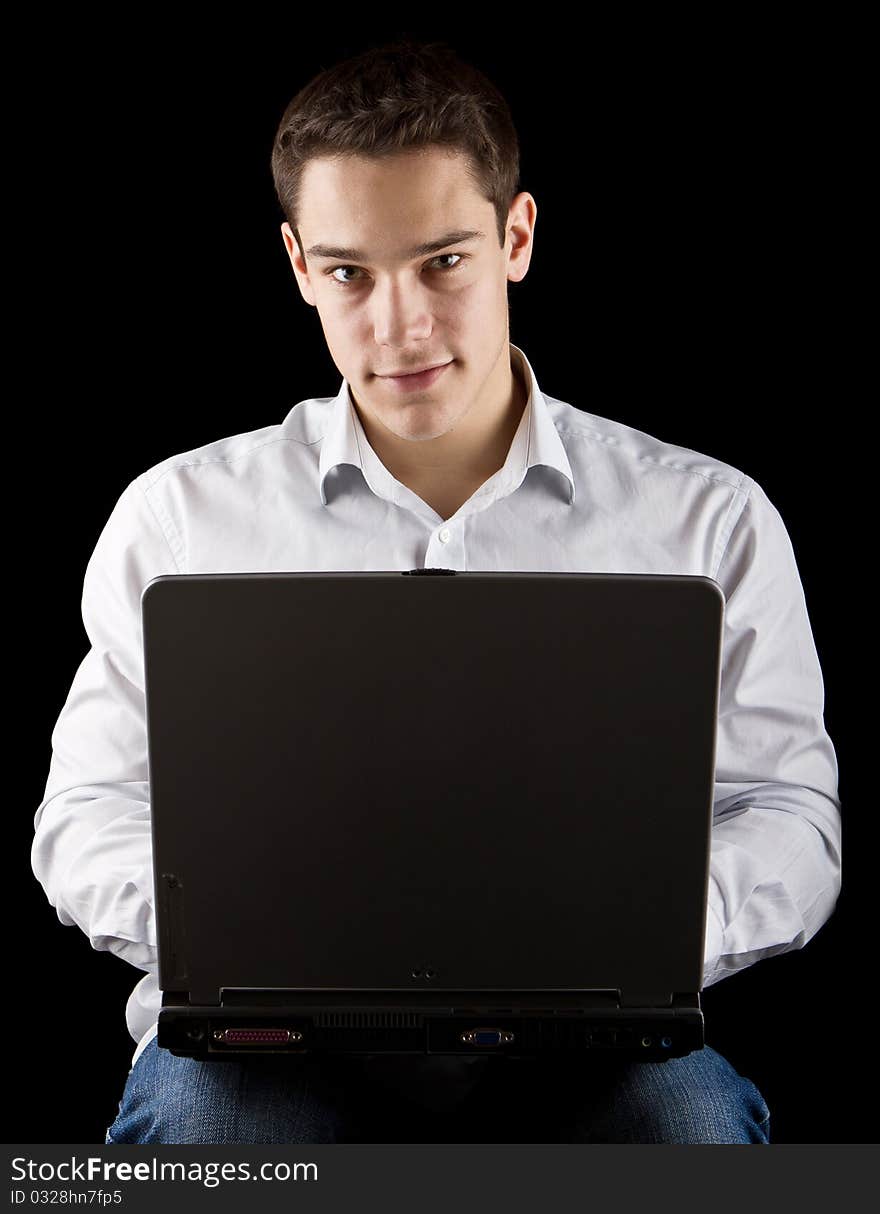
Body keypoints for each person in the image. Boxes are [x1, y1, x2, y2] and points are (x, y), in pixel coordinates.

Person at [31, 37, 840, 1145]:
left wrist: (623, 943)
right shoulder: (178, 517)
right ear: (298, 265)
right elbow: (85, 812)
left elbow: (787, 812)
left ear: (515, 239)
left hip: (596, 1045)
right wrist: (245, 937)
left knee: (690, 1131)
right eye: (350, 272)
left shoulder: (708, 517)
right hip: (266, 1051)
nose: (398, 325)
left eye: (443, 263)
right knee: (200, 1132)